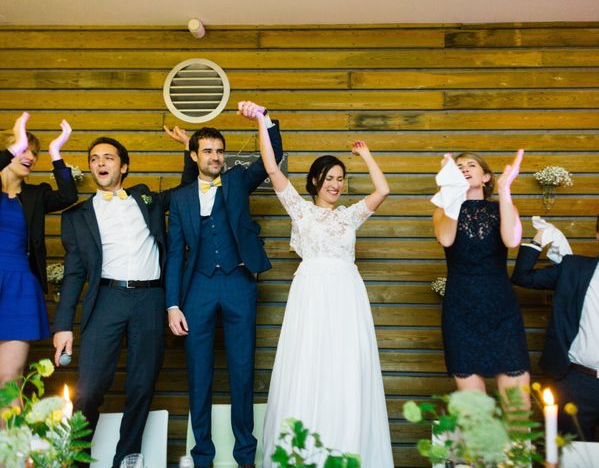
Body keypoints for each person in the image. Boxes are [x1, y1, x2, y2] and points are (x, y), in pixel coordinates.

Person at [242, 101, 394, 467]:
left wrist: (367, 155)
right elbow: (270, 169)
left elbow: (383, 190)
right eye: (330, 179)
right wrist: (263, 123)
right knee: (309, 363)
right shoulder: (301, 210)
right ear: (315, 182)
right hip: (312, 293)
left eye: (341, 179)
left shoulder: (351, 216)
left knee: (346, 366)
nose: (336, 185)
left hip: (346, 293)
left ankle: (346, 447)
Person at [52, 131, 196, 468]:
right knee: (88, 388)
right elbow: (73, 275)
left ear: (124, 167)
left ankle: (127, 457)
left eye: (108, 158)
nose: (100, 163)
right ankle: (74, 459)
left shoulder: (146, 198)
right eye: (94, 159)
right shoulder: (76, 216)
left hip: (149, 299)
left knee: (141, 386)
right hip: (107, 298)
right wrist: (63, 327)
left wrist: (189, 150)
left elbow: (185, 194)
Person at [164, 101, 283, 468]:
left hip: (238, 283)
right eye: (208, 151)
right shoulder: (181, 197)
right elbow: (172, 253)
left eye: (219, 151)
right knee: (198, 374)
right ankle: (203, 456)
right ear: (194, 155)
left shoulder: (236, 181)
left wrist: (266, 120)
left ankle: (245, 455)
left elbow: (271, 159)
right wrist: (172, 304)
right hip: (196, 288)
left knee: (242, 370)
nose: (215, 157)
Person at [512, 207, 599, 442]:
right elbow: (522, 277)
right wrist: (539, 239)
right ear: (597, 234)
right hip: (575, 381)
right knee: (569, 456)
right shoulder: (572, 268)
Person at [433, 151, 531, 399]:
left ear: (486, 176)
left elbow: (512, 239)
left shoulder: (503, 208)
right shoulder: (442, 211)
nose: (464, 168)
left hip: (501, 309)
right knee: (474, 412)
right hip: (461, 310)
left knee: (517, 409)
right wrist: (452, 192)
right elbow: (446, 238)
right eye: (458, 166)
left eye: (471, 165)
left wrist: (505, 189)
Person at [0, 112, 77, 388]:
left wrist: (56, 153)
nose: (30, 157)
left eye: (34, 153)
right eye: (23, 149)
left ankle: (11, 434)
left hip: (19, 288)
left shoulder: (35, 195)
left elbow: (69, 196)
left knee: (9, 380)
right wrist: (14, 147)